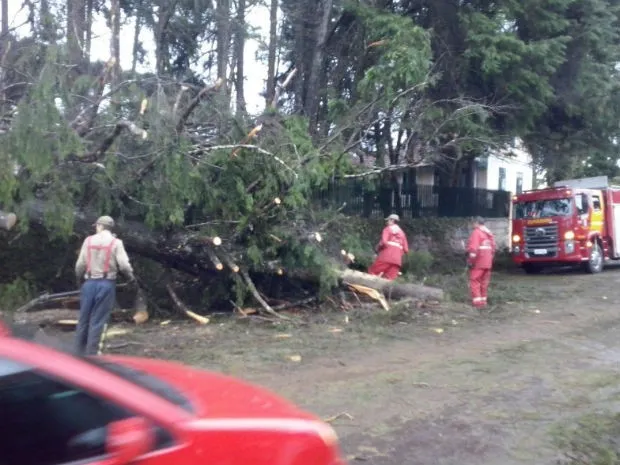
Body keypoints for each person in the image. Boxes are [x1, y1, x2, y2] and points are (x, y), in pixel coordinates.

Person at [74, 216, 135, 355]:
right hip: (106, 284)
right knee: (98, 321)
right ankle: (93, 355)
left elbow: (80, 265)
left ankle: (77, 355)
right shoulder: (116, 243)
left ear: (100, 226)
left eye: (96, 226)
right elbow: (124, 265)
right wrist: (131, 278)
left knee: (83, 320)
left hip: (89, 284)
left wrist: (79, 280)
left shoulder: (88, 241)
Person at [368, 213, 409, 280]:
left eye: (388, 221)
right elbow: (406, 250)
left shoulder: (387, 229)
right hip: (397, 261)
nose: (386, 222)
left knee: (372, 272)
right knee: (389, 280)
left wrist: (377, 250)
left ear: (392, 220)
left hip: (386, 257)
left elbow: (383, 242)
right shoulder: (402, 233)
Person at [466, 216, 496, 308]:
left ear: (476, 223)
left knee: (474, 281)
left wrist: (471, 262)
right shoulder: (489, 234)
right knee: (484, 282)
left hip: (479, 262)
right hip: (488, 263)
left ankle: (478, 303)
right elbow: (493, 248)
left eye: (472, 223)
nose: (472, 225)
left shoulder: (476, 233)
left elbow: (473, 249)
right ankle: (484, 301)